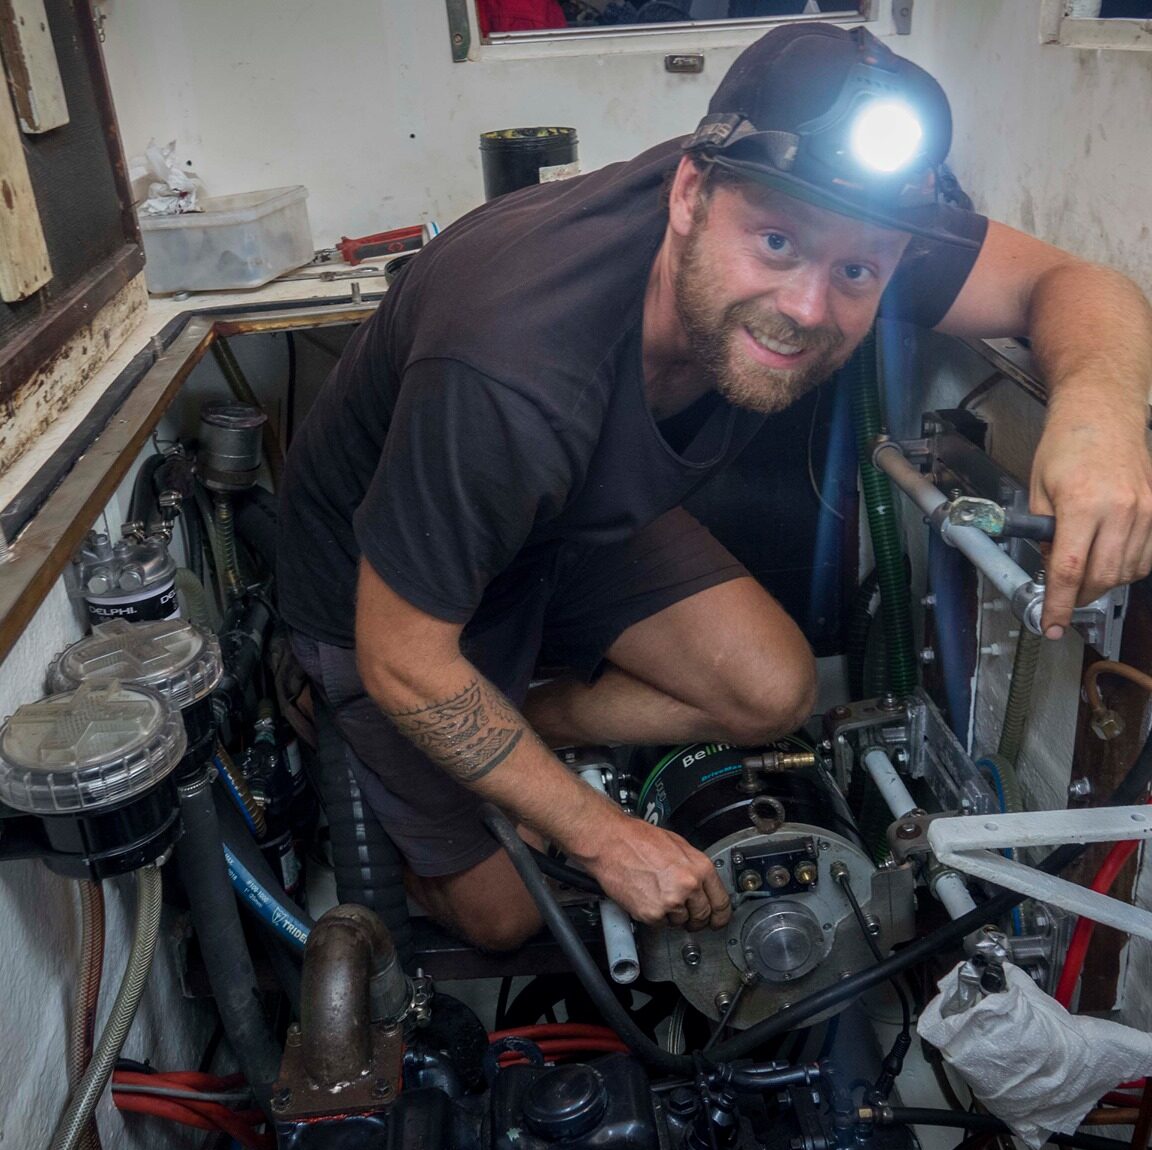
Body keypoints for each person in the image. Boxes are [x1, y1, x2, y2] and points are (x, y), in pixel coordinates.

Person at [277, 22, 1152, 952]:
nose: (808, 308)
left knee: (772, 690)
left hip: (563, 522)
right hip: (382, 595)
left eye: (857, 270)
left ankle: (518, 720)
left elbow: (1070, 280)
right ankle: (351, 713)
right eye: (776, 242)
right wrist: (600, 833)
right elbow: (407, 655)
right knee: (504, 917)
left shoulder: (826, 204)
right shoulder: (513, 371)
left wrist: (1099, 414)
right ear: (689, 193)